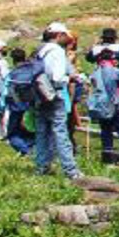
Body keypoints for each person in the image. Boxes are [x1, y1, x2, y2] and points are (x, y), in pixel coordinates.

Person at [33, 24, 81, 179]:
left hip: (40, 95)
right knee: (60, 132)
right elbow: (57, 78)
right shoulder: (57, 52)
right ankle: (71, 170)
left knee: (41, 132)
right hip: (55, 96)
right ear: (59, 35)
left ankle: (42, 166)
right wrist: (71, 78)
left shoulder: (41, 50)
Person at [88, 45, 119, 164]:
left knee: (105, 129)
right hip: (114, 102)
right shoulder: (116, 71)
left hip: (100, 104)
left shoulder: (95, 72)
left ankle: (107, 154)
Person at [3, 48, 34, 157]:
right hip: (32, 107)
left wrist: (2, 107)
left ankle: (25, 151)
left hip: (16, 108)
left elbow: (7, 91)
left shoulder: (12, 74)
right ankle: (31, 149)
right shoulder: (32, 71)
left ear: (13, 59)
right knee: (30, 131)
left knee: (12, 134)